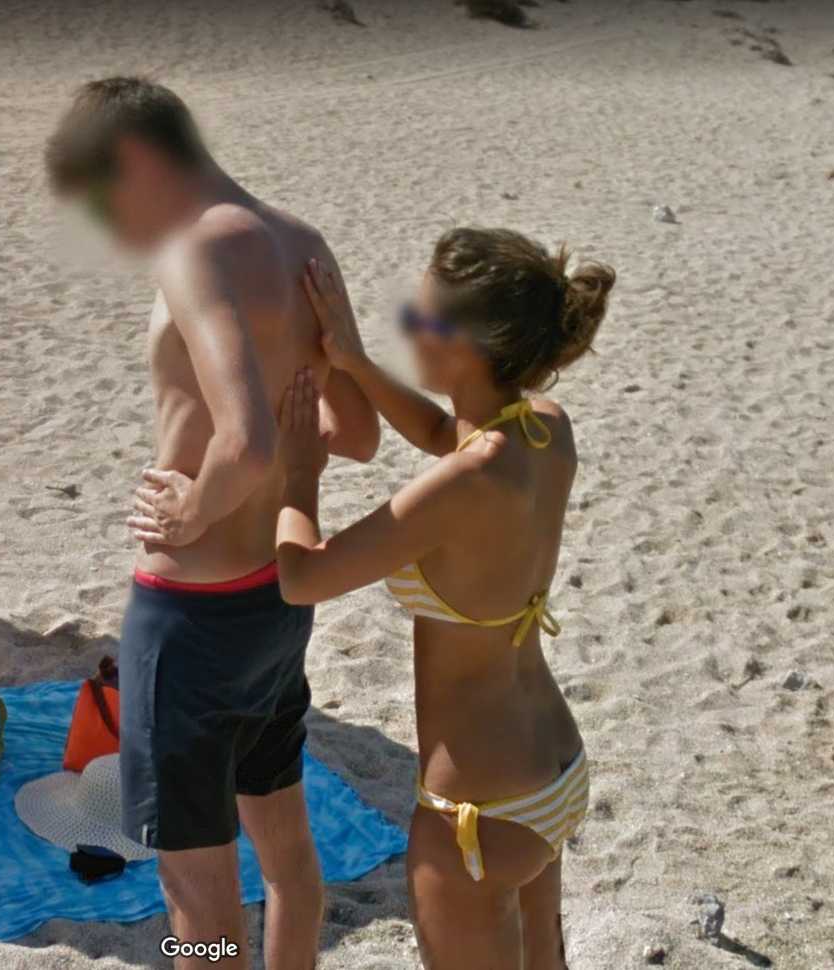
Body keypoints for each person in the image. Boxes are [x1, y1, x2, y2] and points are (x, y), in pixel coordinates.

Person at [45, 77, 380, 970]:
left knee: (196, 893)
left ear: (137, 159)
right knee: (286, 854)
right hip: (277, 597)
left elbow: (248, 440)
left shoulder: (195, 252)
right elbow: (356, 434)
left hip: (191, 619)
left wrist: (189, 511)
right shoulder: (301, 240)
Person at [271, 228, 613, 970]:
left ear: (466, 343)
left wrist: (299, 474)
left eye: (419, 316)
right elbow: (441, 431)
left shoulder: (463, 484)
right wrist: (354, 361)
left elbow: (301, 576)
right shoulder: (545, 429)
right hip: (552, 766)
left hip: (478, 808)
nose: (407, 329)